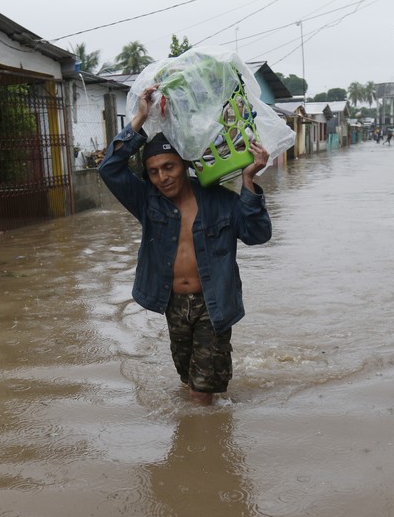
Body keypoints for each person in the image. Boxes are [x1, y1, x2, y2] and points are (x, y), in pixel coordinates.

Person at [98, 83, 272, 405]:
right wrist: (139, 117)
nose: (162, 177)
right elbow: (109, 168)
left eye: (169, 167)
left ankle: (205, 445)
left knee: (200, 392)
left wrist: (249, 182)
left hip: (213, 303)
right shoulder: (148, 202)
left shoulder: (221, 200)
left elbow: (258, 234)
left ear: (184, 166)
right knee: (188, 378)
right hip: (173, 305)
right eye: (153, 172)